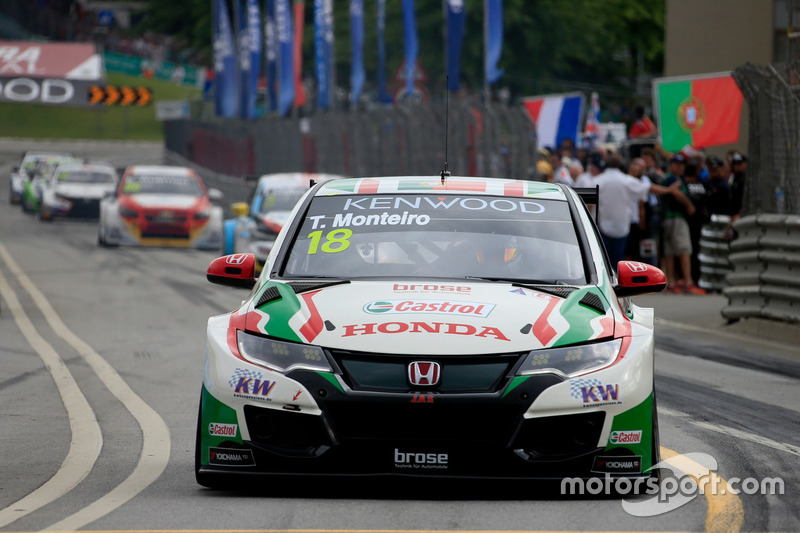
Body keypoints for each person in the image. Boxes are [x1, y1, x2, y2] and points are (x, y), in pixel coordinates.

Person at [594, 153, 684, 268]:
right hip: (622, 226)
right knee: (620, 259)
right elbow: (648, 187)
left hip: (603, 225)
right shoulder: (627, 180)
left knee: (605, 258)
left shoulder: (598, 180)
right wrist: (667, 190)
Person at [660, 154, 705, 294]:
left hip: (667, 218)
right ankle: (687, 281)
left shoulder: (670, 178)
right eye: (677, 164)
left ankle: (672, 282)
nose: (680, 167)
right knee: (685, 249)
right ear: (671, 165)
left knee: (670, 252)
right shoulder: (672, 179)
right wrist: (689, 205)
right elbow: (676, 193)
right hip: (675, 217)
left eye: (682, 165)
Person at [682, 158, 710, 285]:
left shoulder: (684, 185)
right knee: (695, 251)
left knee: (687, 251)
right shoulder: (703, 184)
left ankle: (689, 278)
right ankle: (695, 278)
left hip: (687, 222)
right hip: (698, 222)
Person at [726, 152, 748, 240]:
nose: (737, 166)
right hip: (732, 215)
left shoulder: (745, 179)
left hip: (739, 216)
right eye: (735, 164)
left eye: (740, 164)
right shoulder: (734, 178)